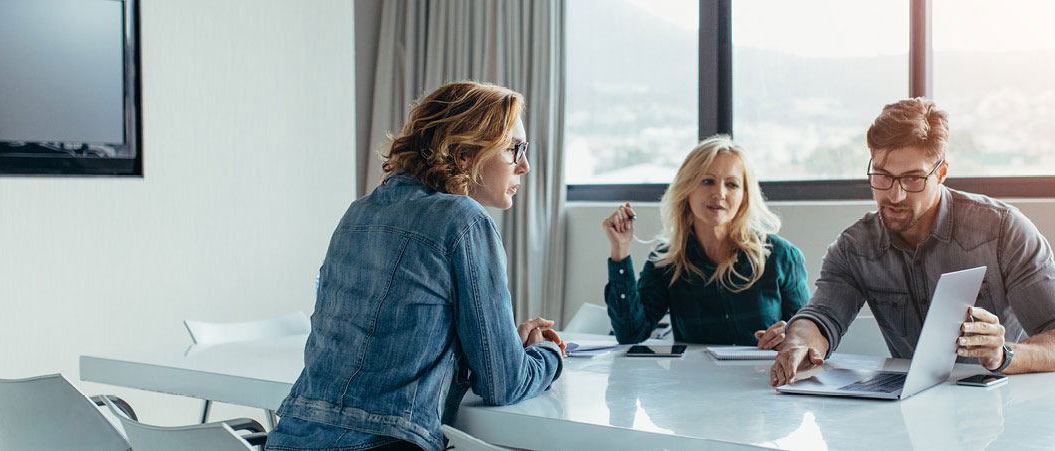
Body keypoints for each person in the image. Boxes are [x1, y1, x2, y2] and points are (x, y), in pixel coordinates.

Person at [267, 81, 565, 451]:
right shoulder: (463, 219)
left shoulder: (359, 212)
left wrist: (502, 343)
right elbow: (503, 385)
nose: (525, 165)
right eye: (514, 148)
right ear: (464, 155)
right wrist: (546, 354)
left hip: (290, 437)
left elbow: (395, 343)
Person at [764, 98, 1055, 386]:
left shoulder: (1003, 231)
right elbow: (821, 318)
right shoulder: (855, 248)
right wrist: (798, 345)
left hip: (1010, 402)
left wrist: (1003, 355)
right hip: (917, 406)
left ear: (942, 172)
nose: (895, 195)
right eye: (882, 176)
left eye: (913, 179)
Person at [602, 136, 809, 346]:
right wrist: (620, 250)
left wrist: (792, 335)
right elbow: (631, 333)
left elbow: (808, 335)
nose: (719, 193)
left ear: (744, 195)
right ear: (687, 188)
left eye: (732, 184)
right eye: (707, 181)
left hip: (763, 377)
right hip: (694, 378)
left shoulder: (782, 256)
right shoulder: (666, 261)